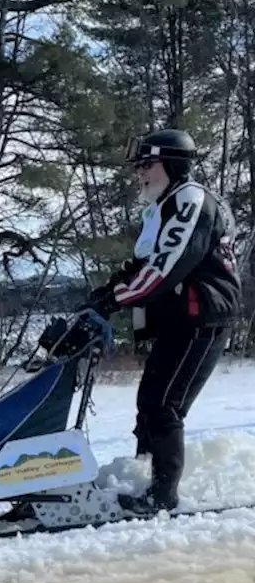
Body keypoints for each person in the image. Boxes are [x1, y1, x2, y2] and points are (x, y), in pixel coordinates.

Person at [83, 128, 241, 515]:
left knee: (165, 407)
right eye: (138, 166)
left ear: (172, 164)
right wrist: (109, 290)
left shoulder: (190, 200)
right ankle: (142, 477)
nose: (139, 173)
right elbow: (144, 263)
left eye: (146, 164)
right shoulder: (164, 205)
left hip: (200, 317)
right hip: (181, 317)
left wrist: (117, 299)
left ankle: (162, 496)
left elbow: (167, 267)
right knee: (149, 402)